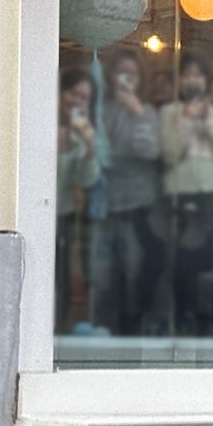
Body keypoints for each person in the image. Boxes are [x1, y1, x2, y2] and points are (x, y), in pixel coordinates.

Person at [158, 52, 213, 335]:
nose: (192, 80)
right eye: (187, 75)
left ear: (205, 81)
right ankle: (184, 318)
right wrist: (185, 120)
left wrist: (208, 121)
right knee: (182, 262)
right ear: (179, 81)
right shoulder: (169, 112)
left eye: (197, 75)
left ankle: (209, 321)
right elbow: (169, 153)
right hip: (180, 196)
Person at [96, 45, 163, 335]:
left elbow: (150, 151)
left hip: (139, 203)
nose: (126, 79)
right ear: (111, 76)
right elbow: (101, 151)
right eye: (121, 73)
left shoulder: (146, 111)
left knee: (136, 265)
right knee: (108, 269)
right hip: (108, 202)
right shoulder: (103, 110)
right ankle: (109, 324)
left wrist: (137, 113)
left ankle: (133, 324)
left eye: (132, 74)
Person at [55, 67, 101, 329]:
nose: (77, 101)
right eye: (73, 93)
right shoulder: (42, 122)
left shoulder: (80, 134)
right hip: (36, 212)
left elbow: (87, 180)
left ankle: (60, 326)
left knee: (62, 276)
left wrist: (89, 147)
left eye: (84, 98)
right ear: (61, 93)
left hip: (65, 213)